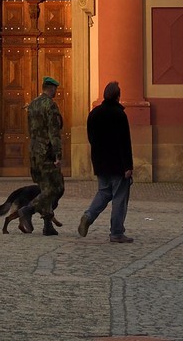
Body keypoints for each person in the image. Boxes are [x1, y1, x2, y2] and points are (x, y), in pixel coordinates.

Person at [78, 80, 134, 244]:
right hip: (118, 164)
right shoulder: (119, 114)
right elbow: (125, 142)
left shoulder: (94, 113)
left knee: (103, 192)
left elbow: (91, 138)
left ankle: (88, 216)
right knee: (119, 198)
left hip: (101, 162)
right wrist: (128, 166)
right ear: (118, 96)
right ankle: (116, 232)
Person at [17, 75, 64, 235]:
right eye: (55, 89)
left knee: (44, 188)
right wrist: (58, 155)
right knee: (56, 188)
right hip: (47, 153)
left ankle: (48, 226)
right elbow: (54, 132)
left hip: (34, 151)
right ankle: (28, 210)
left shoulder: (32, 105)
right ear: (51, 88)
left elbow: (31, 129)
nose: (56, 91)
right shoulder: (50, 105)